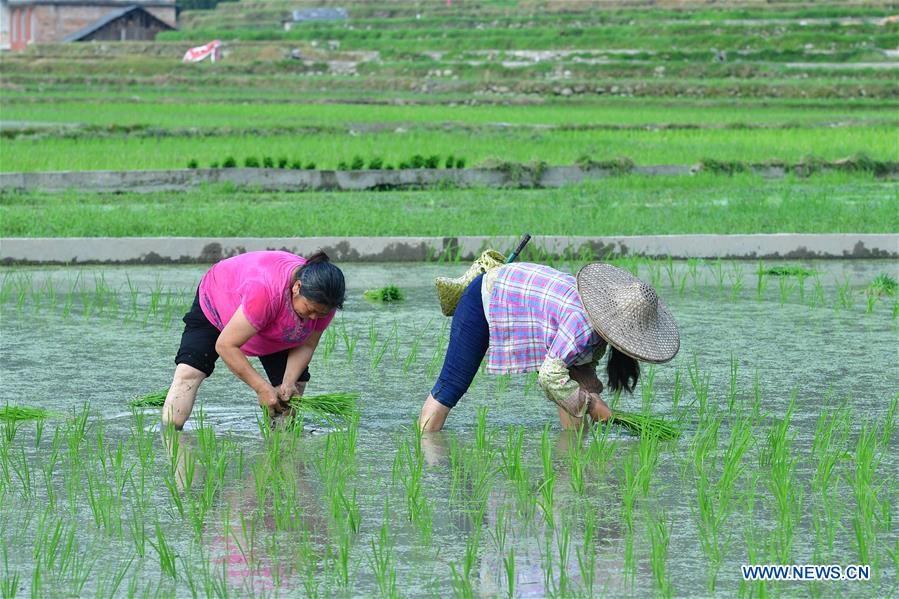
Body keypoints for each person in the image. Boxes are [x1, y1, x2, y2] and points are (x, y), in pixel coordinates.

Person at [418, 262, 679, 431]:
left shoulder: (600, 330)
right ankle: (427, 460)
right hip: (486, 297)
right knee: (452, 386)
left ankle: (573, 459)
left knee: (574, 397)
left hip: (521, 295)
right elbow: (550, 376)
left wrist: (591, 399)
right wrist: (591, 406)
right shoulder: (583, 324)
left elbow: (576, 372)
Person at [162, 250, 345, 430]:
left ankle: (281, 450)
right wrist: (261, 388)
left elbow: (307, 343)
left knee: (291, 391)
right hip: (220, 298)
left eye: (320, 313)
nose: (313, 318)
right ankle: (171, 440)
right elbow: (226, 345)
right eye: (310, 309)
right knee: (189, 373)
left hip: (273, 320)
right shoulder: (267, 291)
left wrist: (289, 382)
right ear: (297, 287)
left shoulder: (324, 302)